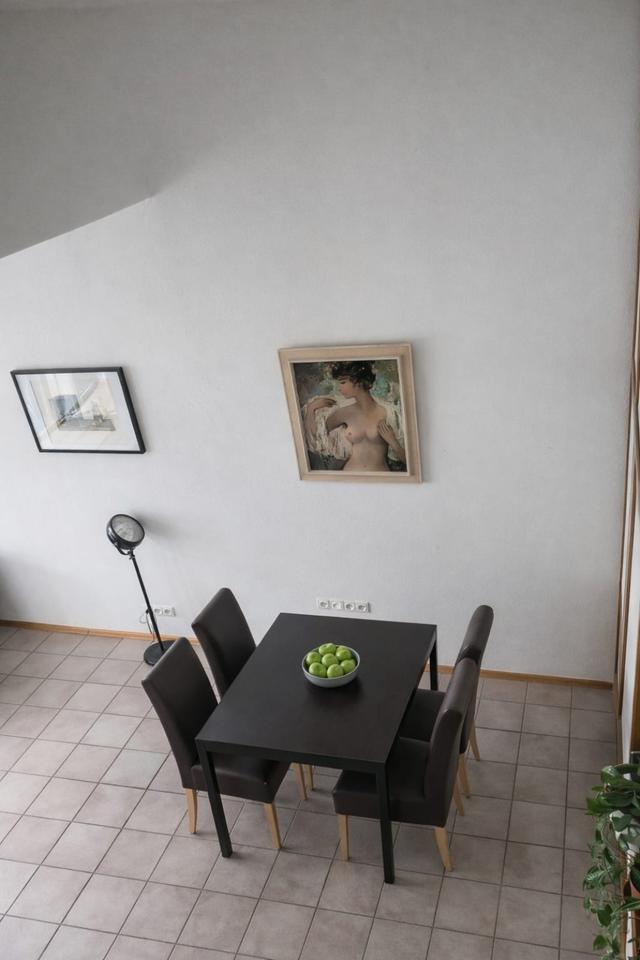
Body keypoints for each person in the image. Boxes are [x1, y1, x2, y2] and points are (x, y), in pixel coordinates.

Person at [303, 360, 406, 472]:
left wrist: (393, 442)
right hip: (349, 474)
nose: (339, 388)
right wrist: (311, 409)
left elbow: (409, 460)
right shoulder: (345, 412)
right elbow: (315, 437)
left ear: (358, 382)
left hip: (381, 475)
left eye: (343, 382)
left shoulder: (388, 413)